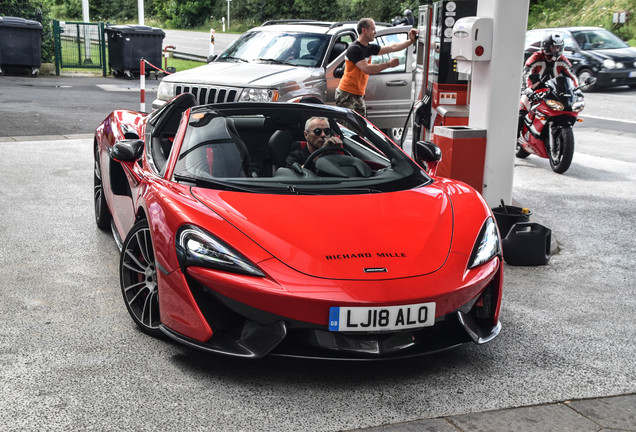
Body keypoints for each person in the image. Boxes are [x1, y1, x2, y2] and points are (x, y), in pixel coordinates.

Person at [335, 18, 417, 117]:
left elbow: (392, 47)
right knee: (352, 128)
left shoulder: (368, 48)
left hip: (357, 94)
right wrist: (388, 64)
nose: (375, 32)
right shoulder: (355, 49)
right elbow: (367, 68)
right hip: (347, 95)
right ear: (364, 30)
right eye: (373, 29)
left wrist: (411, 41)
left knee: (361, 127)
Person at [518, 32, 578, 134]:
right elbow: (526, 74)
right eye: (554, 47)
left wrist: (577, 89)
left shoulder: (563, 60)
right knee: (522, 110)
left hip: (553, 93)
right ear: (546, 47)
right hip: (533, 91)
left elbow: (572, 76)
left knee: (566, 110)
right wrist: (528, 89)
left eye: (559, 48)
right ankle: (514, 140)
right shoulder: (536, 57)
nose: (557, 50)